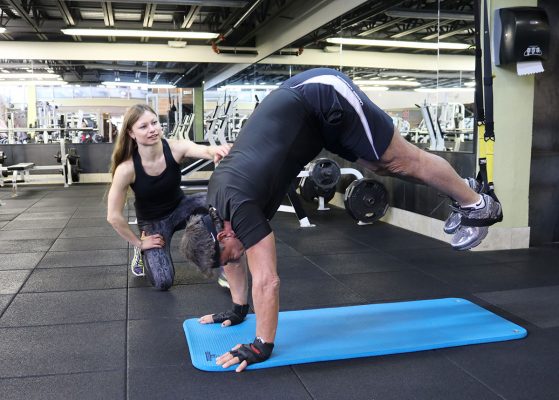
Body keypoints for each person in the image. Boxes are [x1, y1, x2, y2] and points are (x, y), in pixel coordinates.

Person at [180, 68, 503, 372]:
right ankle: (463, 190)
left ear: (222, 236)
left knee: (401, 160)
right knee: (380, 166)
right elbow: (234, 261)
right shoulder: (216, 211)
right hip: (311, 121)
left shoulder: (240, 205)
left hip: (320, 94)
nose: (235, 261)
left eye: (229, 257)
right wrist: (238, 310)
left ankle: (478, 205)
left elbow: (268, 281)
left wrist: (261, 345)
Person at [107, 103, 231, 290]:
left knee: (218, 202)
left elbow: (203, 150)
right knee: (163, 282)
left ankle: (226, 264)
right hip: (154, 223)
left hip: (181, 208)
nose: (152, 130)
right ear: (131, 133)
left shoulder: (174, 148)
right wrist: (139, 243)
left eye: (154, 123)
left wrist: (217, 150)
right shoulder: (126, 169)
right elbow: (113, 216)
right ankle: (141, 253)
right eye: (143, 126)